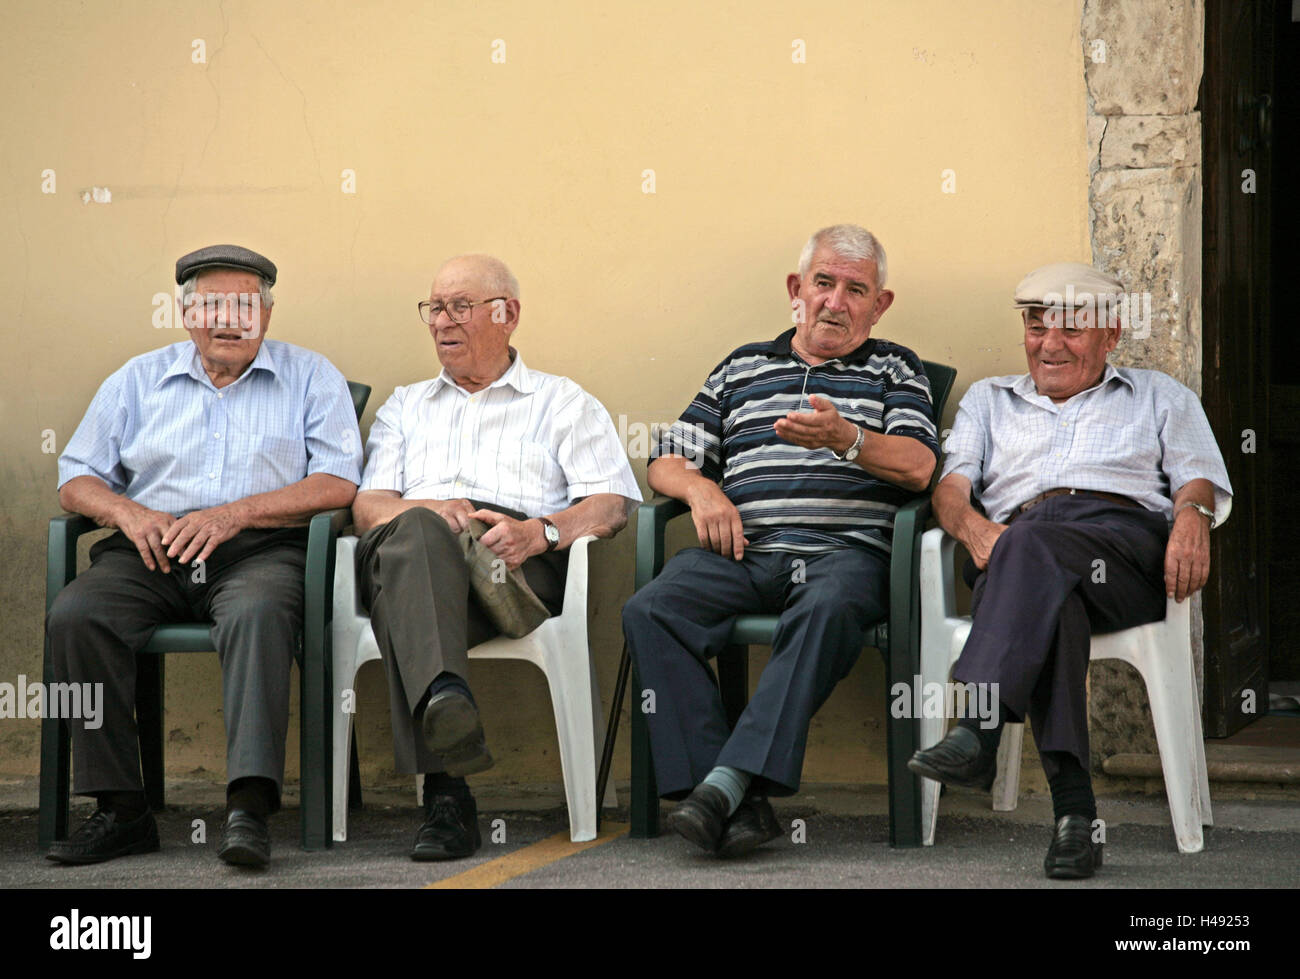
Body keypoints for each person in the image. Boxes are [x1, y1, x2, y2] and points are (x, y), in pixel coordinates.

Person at [907, 262, 1232, 879]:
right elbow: (951, 490)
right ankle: (1075, 820)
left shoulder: (1160, 395)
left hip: (1121, 551)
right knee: (1053, 598)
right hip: (1018, 559)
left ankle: (978, 726)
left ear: (1111, 335)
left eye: (1071, 330)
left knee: (1031, 546)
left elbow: (1199, 478)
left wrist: (1191, 513)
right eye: (1036, 327)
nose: (1049, 344)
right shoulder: (988, 400)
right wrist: (974, 529)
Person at [622, 224, 939, 857]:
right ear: (797, 289)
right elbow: (665, 459)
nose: (836, 302)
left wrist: (844, 438)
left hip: (846, 557)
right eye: (824, 283)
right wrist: (701, 492)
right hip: (747, 553)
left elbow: (920, 467)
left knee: (823, 605)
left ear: (880, 305)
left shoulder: (895, 368)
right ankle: (733, 799)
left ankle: (725, 785)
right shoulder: (743, 366)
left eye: (857, 290)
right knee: (651, 608)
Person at [47, 244, 363, 868]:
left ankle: (248, 808)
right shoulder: (137, 378)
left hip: (261, 550)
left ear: (267, 317)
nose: (229, 319)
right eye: (213, 304)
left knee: (256, 615)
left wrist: (234, 514)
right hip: (151, 550)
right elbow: (76, 477)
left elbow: (338, 483)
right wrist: (127, 512)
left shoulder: (310, 376)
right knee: (76, 616)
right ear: (187, 313)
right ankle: (120, 808)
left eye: (245, 305)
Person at [351, 253, 641, 861]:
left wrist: (543, 532)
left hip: (509, 568)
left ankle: (446, 791)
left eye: (459, 306)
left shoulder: (561, 401)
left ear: (506, 314)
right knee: (418, 540)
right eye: (434, 308)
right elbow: (370, 506)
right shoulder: (406, 406)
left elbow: (612, 503)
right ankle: (446, 708)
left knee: (407, 595)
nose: (440, 322)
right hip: (410, 553)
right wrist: (428, 510)